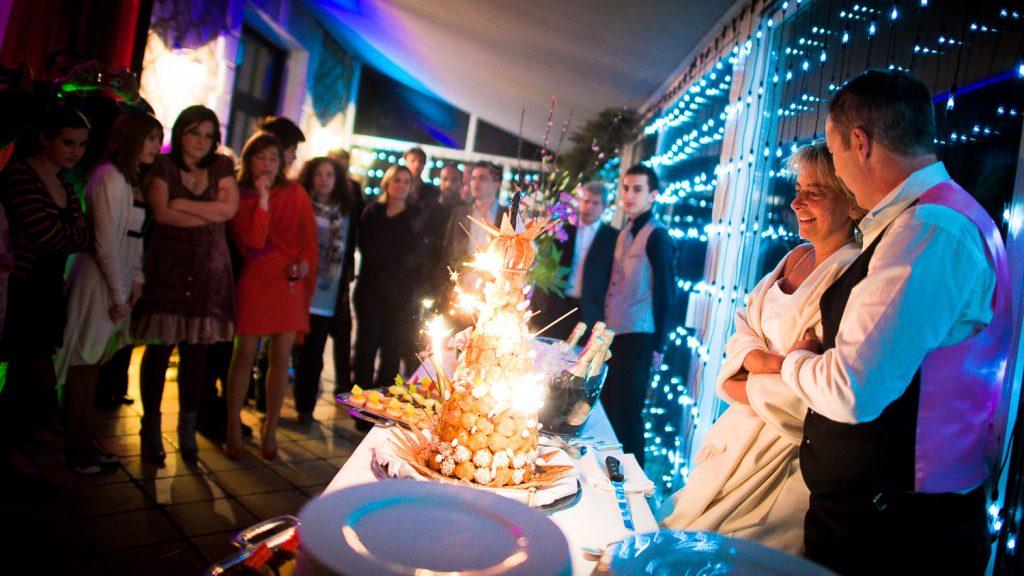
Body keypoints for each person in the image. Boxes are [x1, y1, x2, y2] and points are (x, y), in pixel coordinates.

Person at [780, 69, 1011, 574]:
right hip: (892, 512)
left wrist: (794, 360)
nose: (837, 170)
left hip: (893, 530)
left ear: (859, 142)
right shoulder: (943, 218)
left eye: (834, 152)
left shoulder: (928, 231)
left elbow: (850, 390)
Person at [659, 142, 861, 554]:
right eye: (798, 188)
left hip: (779, 452)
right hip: (738, 428)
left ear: (853, 204)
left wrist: (739, 383)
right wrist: (761, 359)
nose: (797, 201)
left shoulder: (850, 274)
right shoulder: (795, 256)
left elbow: (813, 386)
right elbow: (743, 324)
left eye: (815, 192)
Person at [55, 110, 162, 472]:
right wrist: (118, 294)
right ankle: (74, 444)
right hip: (96, 279)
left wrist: (134, 282)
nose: (154, 146)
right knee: (83, 361)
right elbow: (105, 243)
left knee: (93, 362)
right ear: (131, 137)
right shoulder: (108, 177)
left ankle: (82, 438)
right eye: (149, 138)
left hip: (115, 278)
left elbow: (132, 243)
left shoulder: (131, 180)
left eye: (156, 138)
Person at [132, 105, 238, 464]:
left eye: (208, 135)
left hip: (210, 270)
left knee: (197, 352)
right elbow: (161, 213)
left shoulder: (222, 166)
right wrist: (205, 212)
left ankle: (187, 429)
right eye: (195, 133)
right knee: (160, 349)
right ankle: (150, 428)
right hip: (169, 267)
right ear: (179, 133)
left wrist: (182, 204)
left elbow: (228, 210)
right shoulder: (163, 165)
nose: (201, 141)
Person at [0, 105, 93, 475]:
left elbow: (81, 235)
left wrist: (71, 236)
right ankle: (17, 446)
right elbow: (50, 234)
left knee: (28, 376)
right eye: (68, 142)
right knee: (34, 374)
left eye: (82, 144)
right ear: (45, 139)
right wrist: (72, 235)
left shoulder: (67, 185)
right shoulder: (21, 176)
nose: (75, 151)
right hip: (22, 286)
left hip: (49, 286)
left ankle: (14, 448)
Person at [224, 133, 317, 459]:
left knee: (280, 359)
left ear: (282, 162)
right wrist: (262, 199)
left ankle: (270, 429)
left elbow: (308, 239)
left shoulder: (295, 193)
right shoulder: (241, 193)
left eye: (273, 158)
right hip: (255, 280)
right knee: (244, 355)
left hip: (287, 284)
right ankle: (232, 426)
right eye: (260, 157)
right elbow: (252, 240)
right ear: (249, 159)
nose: (266, 164)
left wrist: (304, 264)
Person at [600, 164, 675, 468]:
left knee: (629, 412)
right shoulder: (624, 232)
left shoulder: (657, 236)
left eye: (638, 189)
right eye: (626, 188)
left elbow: (667, 294)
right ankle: (609, 472)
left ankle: (635, 483)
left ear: (653, 195)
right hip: (615, 334)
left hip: (639, 336)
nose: (629, 195)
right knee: (610, 408)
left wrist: (659, 346)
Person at [291, 157, 355, 425]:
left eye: (330, 174)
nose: (324, 179)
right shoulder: (300, 204)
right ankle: (265, 398)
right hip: (297, 290)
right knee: (289, 350)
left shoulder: (345, 212)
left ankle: (305, 407)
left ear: (337, 180)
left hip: (326, 295)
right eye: (319, 174)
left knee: (314, 354)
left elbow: (348, 253)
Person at [353, 164, 420, 388]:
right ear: (387, 183)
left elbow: (412, 256)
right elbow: (366, 246)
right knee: (365, 348)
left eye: (406, 181)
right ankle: (359, 404)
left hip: (399, 297)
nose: (400, 185)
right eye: (396, 180)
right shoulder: (373, 211)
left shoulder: (414, 217)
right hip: (370, 291)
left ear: (411, 187)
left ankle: (381, 407)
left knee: (391, 352)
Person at [532, 181, 616, 340]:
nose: (589, 206)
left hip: (589, 312)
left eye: (595, 203)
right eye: (586, 201)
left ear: (604, 206)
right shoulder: (563, 230)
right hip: (558, 307)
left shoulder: (612, 237)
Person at [326, 148, 365, 395]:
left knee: (342, 325)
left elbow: (357, 225)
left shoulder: (352, 190)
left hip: (343, 263)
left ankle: (343, 379)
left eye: (343, 165)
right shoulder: (323, 189)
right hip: (322, 265)